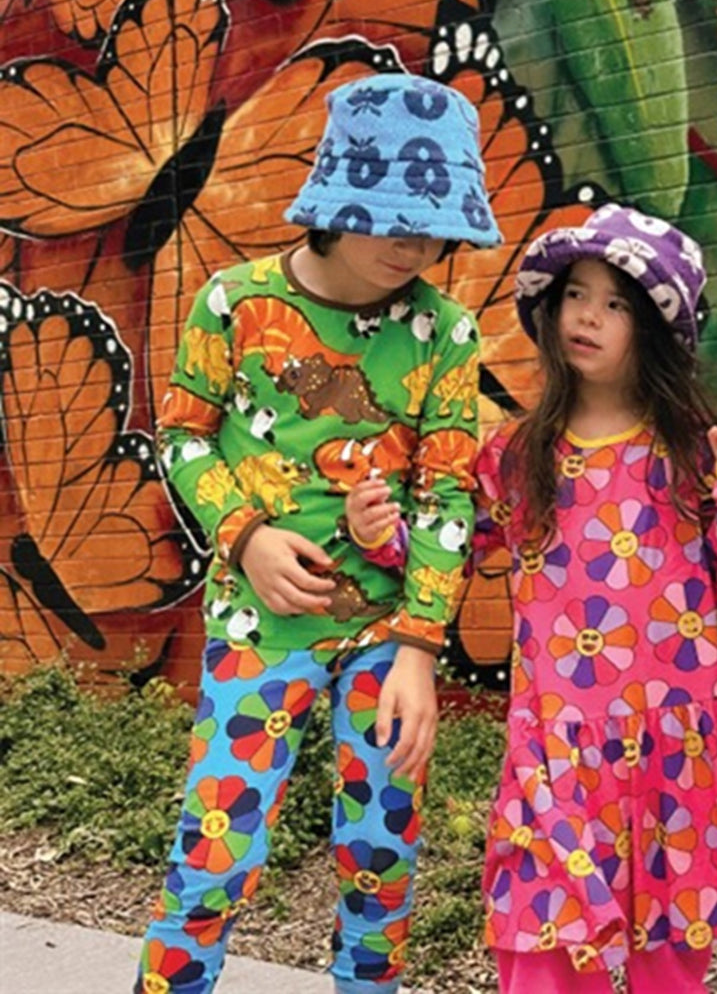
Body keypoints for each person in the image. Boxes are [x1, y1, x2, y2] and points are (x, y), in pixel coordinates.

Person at [349, 203, 717, 993]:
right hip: (557, 741)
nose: (587, 315)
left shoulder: (689, 447)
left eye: (616, 304)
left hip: (674, 738)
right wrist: (384, 536)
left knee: (667, 950)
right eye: (576, 294)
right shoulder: (518, 457)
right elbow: (454, 552)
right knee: (541, 935)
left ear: (655, 331)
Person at [136, 74, 502, 994]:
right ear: (338, 198)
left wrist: (420, 645)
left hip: (386, 637)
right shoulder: (234, 302)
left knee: (382, 859)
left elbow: (446, 495)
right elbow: (182, 433)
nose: (415, 244)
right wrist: (245, 535)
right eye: (395, 219)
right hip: (259, 633)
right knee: (214, 857)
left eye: (434, 226)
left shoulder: (444, 332)